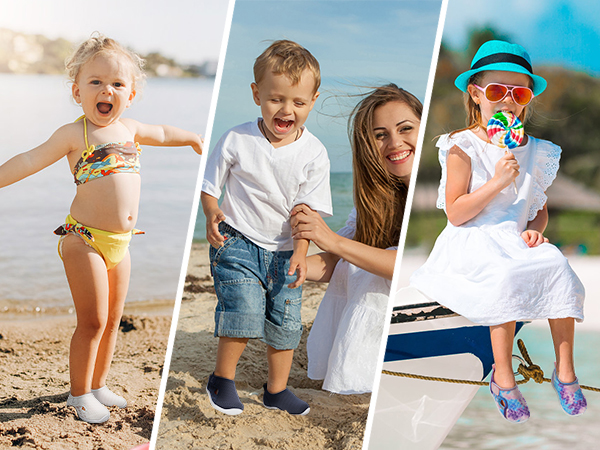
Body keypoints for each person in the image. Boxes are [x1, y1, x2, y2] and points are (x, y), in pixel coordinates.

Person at [0, 33, 203, 424]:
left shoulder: (130, 128)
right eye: (95, 82)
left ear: (130, 94)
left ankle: (97, 384)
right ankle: (78, 395)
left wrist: (192, 137)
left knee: (112, 320)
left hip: (120, 243)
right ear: (77, 92)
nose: (105, 90)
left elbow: (162, 133)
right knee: (91, 321)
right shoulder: (74, 134)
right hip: (84, 241)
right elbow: (27, 160)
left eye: (116, 84)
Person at [409, 40, 586, 423]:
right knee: (503, 275)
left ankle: (565, 369)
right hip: (471, 237)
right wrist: (496, 181)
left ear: (526, 100)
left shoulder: (537, 151)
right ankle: (502, 377)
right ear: (475, 93)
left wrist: (535, 232)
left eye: (517, 92)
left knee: (557, 264)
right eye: (496, 91)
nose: (506, 100)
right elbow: (455, 213)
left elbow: (537, 212)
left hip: (513, 237)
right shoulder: (462, 145)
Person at [201, 40, 332, 416]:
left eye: (299, 102)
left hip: (288, 250)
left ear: (313, 100)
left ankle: (276, 390)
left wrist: (303, 253)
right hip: (237, 239)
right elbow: (211, 188)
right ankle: (222, 380)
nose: (287, 110)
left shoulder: (315, 153)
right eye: (276, 99)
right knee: (242, 310)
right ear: (257, 93)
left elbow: (306, 213)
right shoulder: (237, 139)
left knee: (286, 321)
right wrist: (212, 213)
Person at [290, 84, 421, 394]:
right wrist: (284, 269)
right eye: (380, 135)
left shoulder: (442, 187)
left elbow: (411, 267)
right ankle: (350, 371)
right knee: (356, 264)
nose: (395, 142)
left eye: (406, 129)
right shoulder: (378, 201)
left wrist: (331, 239)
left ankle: (359, 378)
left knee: (369, 270)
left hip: (428, 305)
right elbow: (335, 263)